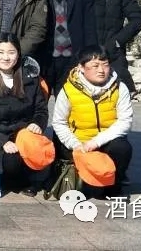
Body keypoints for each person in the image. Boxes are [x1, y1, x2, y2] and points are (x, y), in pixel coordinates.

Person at [52, 48, 133, 198]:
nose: (101, 70)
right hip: (78, 141)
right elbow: (59, 122)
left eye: (105, 64)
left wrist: (96, 142)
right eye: (95, 65)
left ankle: (113, 187)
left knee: (122, 148)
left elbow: (125, 122)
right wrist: (75, 144)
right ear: (81, 68)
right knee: (83, 190)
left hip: (105, 141)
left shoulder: (120, 88)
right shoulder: (68, 90)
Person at [0, 34, 49, 197]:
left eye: (11, 52)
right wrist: (3, 142)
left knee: (39, 151)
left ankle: (27, 179)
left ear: (18, 54)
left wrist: (37, 123)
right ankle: (12, 180)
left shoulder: (30, 78)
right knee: (11, 161)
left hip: (23, 134)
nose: (6, 57)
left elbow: (41, 110)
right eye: (1, 52)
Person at [76, 0, 141, 93]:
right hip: (81, 54)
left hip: (113, 54)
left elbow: (137, 19)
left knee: (119, 96)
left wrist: (117, 41)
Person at [38, 0, 98, 92]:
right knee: (38, 102)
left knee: (69, 102)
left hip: (72, 58)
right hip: (43, 56)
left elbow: (89, 28)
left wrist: (88, 57)